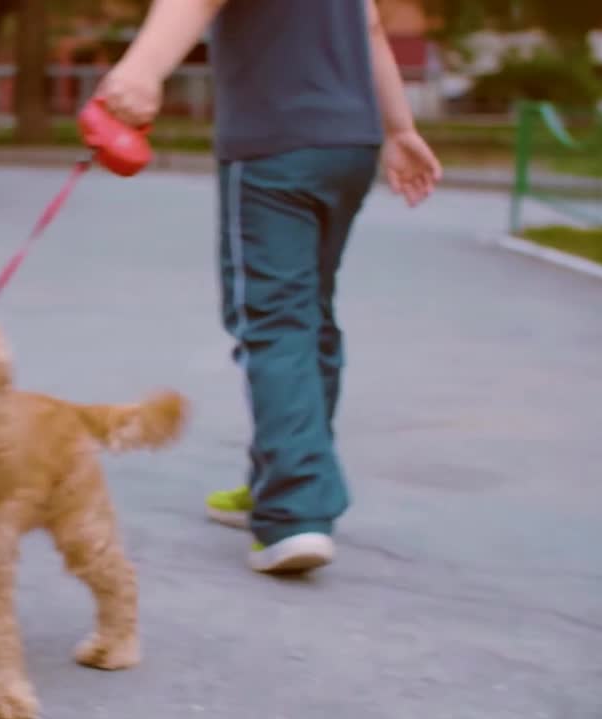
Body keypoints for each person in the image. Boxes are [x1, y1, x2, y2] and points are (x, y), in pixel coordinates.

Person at [98, 0, 442, 574]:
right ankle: (277, 478)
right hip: (347, 145)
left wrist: (141, 69)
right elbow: (371, 24)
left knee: (276, 320)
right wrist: (399, 127)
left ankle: (295, 511)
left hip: (273, 143)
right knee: (308, 315)